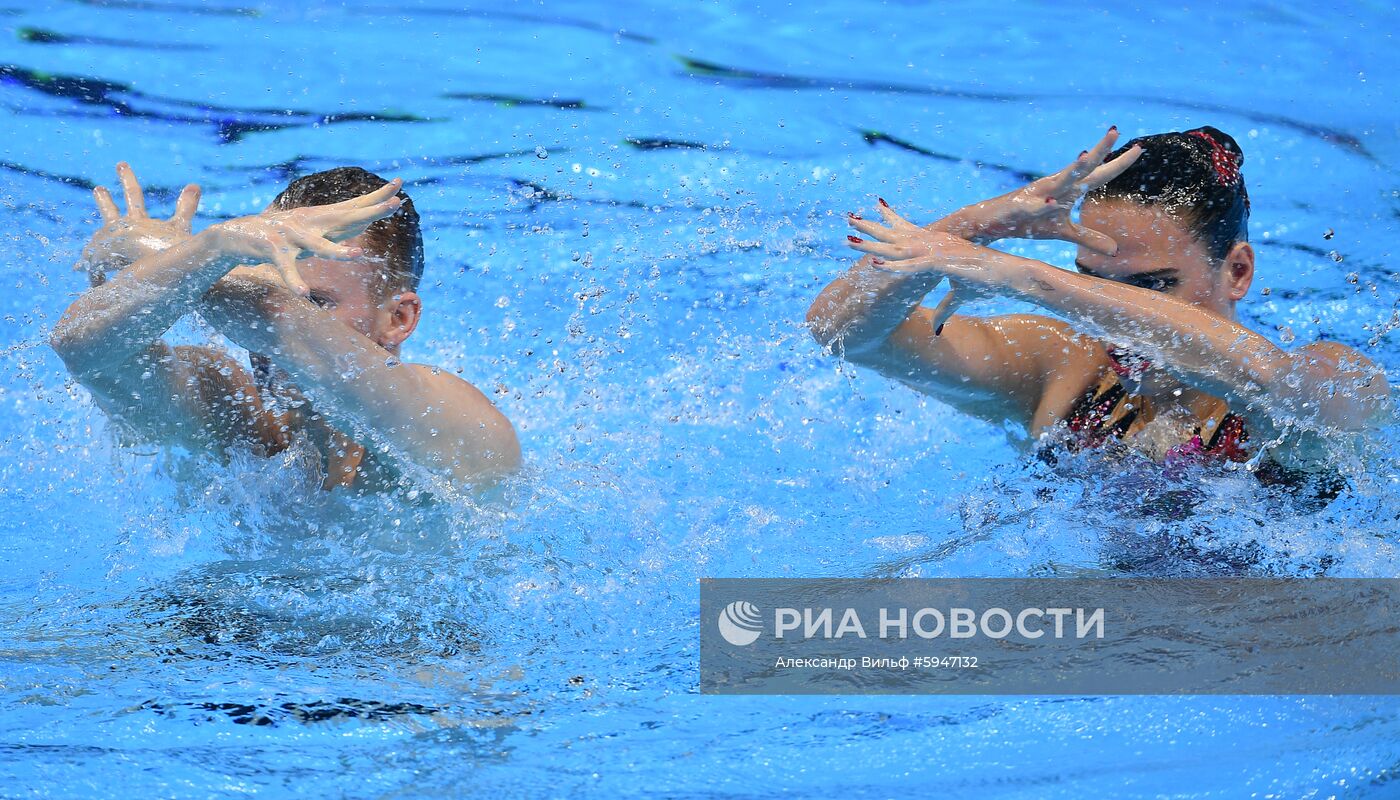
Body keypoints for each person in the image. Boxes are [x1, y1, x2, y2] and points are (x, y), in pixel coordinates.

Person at [807, 126, 1390, 485]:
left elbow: (1299, 396)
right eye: (1092, 282)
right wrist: (973, 229)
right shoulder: (1062, 367)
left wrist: (1018, 275)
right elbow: (843, 333)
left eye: (1150, 285)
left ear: (1237, 272)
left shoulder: (1326, 380)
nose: (1108, 316)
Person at [50, 163, 520, 494]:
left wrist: (173, 251)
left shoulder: (443, 416)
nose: (260, 344)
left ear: (398, 319)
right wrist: (215, 250)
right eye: (260, 270)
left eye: (317, 302)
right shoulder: (237, 420)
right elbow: (82, 349)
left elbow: (272, 317)